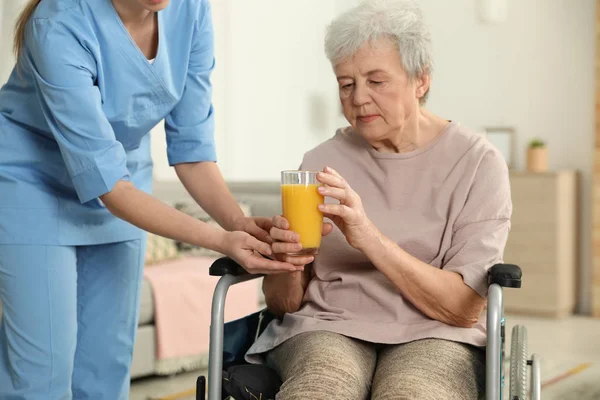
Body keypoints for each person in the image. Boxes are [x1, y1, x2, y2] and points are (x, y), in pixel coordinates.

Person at [0, 0, 298, 398]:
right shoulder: (58, 23)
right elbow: (109, 187)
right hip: (33, 184)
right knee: (42, 375)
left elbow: (192, 150)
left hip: (124, 179)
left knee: (106, 366)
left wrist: (237, 223)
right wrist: (220, 240)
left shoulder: (191, 10)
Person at [246, 1, 512, 399]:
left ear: (420, 80)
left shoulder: (477, 163)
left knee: (414, 392)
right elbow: (285, 304)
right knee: (319, 388)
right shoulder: (320, 163)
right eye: (346, 84)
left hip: (436, 331)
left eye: (376, 80)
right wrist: (287, 261)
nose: (359, 99)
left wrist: (367, 235)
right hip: (328, 324)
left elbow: (463, 308)